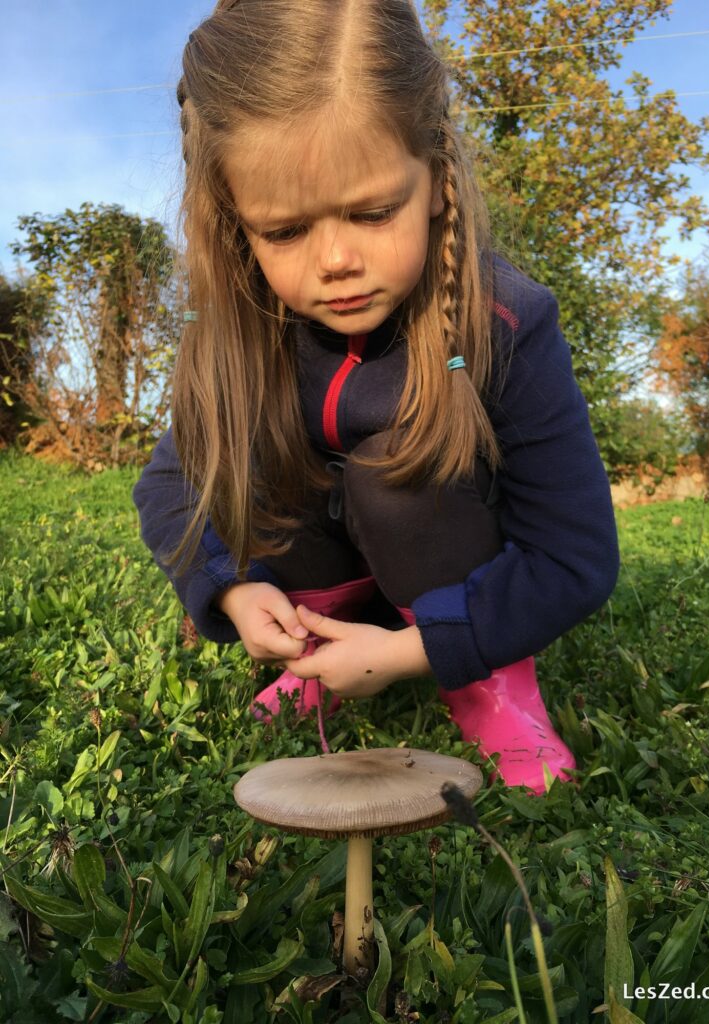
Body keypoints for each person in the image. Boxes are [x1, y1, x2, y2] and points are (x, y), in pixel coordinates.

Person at [133, 0, 620, 794]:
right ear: (236, 223)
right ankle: (316, 649)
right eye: (283, 231)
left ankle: (483, 679)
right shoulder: (239, 331)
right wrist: (231, 587)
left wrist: (406, 653)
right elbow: (168, 483)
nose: (335, 260)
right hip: (317, 575)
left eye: (372, 212)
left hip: (447, 562)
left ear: (435, 177)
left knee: (397, 472)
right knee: (245, 450)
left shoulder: (506, 322)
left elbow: (576, 558)